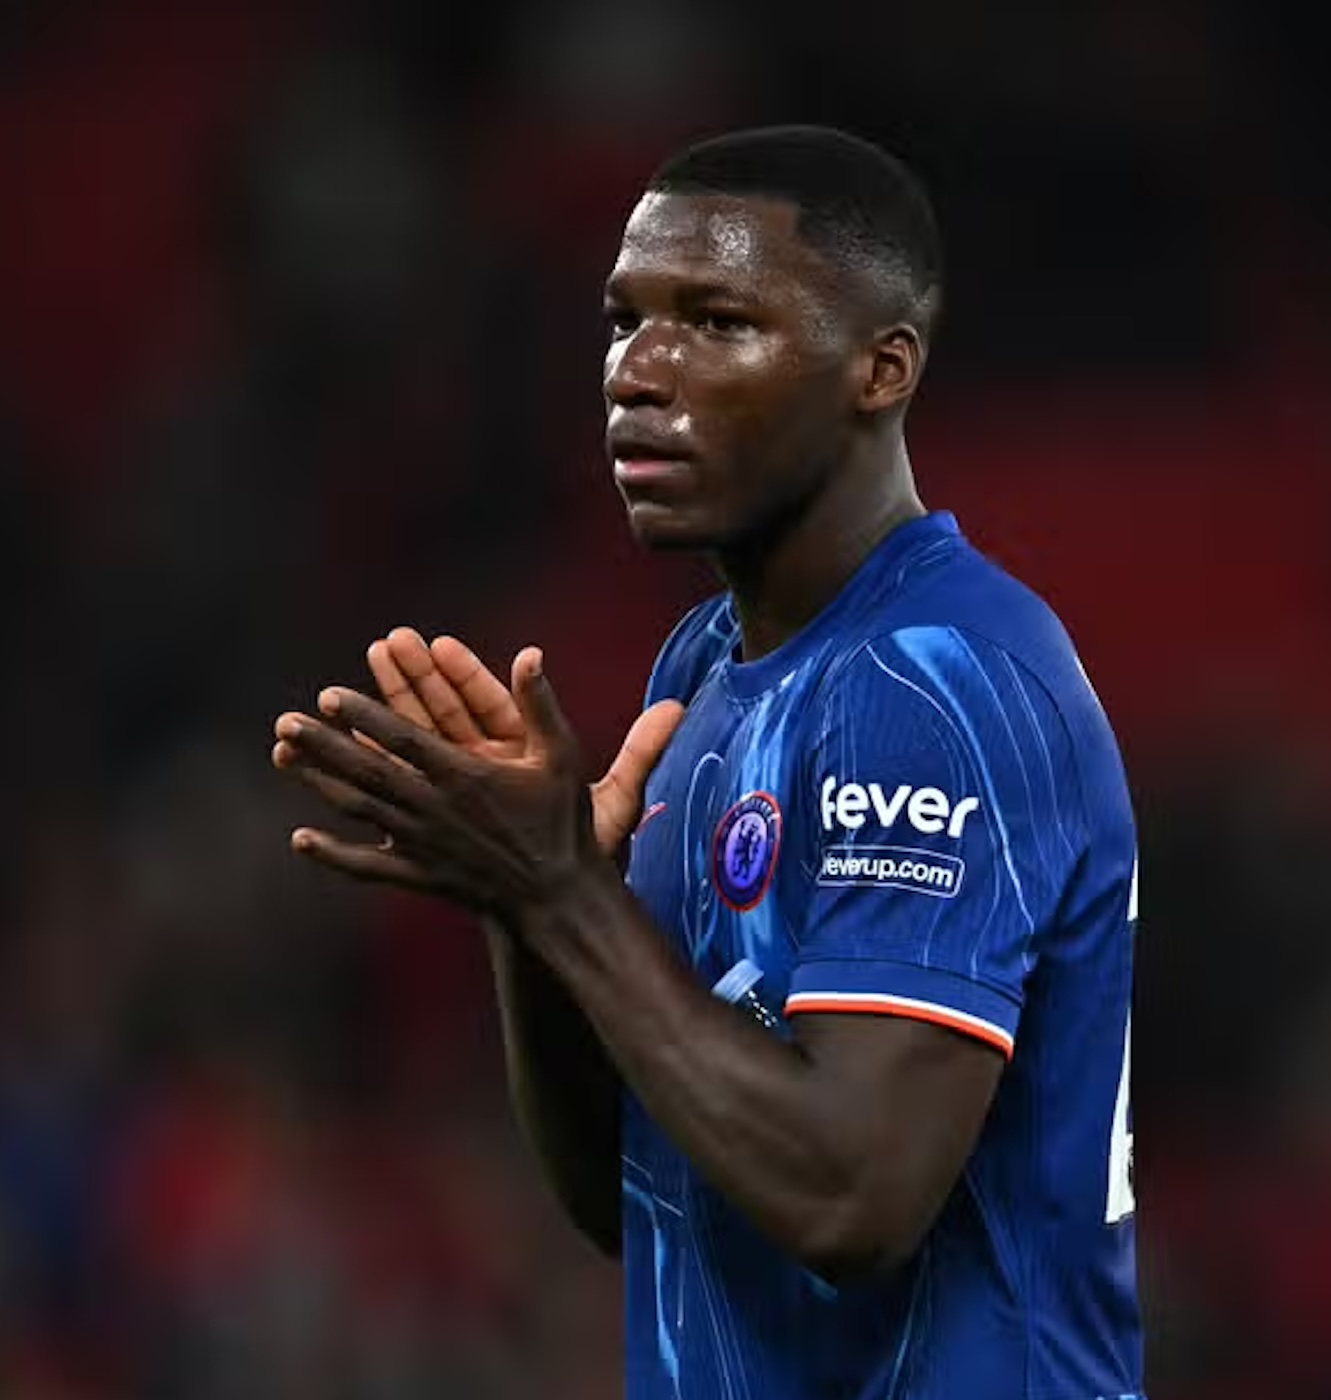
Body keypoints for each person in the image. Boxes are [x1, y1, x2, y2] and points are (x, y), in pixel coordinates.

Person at [272, 124, 1145, 1398]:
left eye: (718, 321)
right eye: (623, 321)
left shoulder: (936, 682)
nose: (639, 371)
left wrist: (565, 893)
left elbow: (850, 1197)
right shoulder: (701, 671)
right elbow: (634, 1195)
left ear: (880, 369)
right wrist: (528, 908)